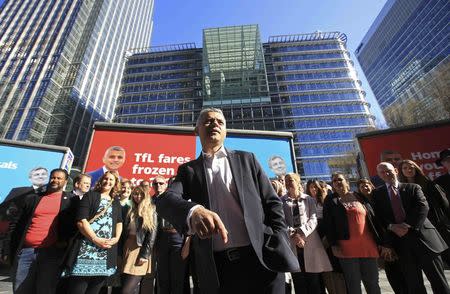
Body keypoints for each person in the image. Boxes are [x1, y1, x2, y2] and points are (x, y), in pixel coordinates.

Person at [154, 108, 298, 294]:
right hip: (217, 270)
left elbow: (272, 203)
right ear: (196, 130)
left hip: (262, 263)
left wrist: (278, 239)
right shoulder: (188, 170)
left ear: (225, 131)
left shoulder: (248, 160)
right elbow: (165, 200)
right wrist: (194, 211)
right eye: (208, 121)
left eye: (220, 122)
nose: (215, 124)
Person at [373, 162, 450, 294]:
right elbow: (378, 216)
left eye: (389, 171)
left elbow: (422, 207)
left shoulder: (413, 187)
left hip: (425, 241)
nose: (386, 174)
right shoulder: (377, 194)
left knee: (438, 281)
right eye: (382, 172)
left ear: (396, 171)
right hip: (401, 245)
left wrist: (407, 225)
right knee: (414, 285)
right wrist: (392, 227)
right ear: (379, 175)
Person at [3, 169, 76, 294]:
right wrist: (6, 249)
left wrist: (64, 242)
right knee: (21, 288)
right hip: (26, 251)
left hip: (52, 253)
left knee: (45, 289)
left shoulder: (71, 201)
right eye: (53, 177)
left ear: (65, 181)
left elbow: (74, 226)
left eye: (59, 178)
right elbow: (15, 225)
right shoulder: (33, 198)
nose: (55, 180)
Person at [63, 171, 123, 294]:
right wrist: (96, 239)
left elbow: (119, 222)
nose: (108, 182)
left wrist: (116, 238)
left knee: (94, 291)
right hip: (85, 250)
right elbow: (81, 221)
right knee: (77, 290)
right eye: (106, 179)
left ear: (115, 183)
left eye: (111, 180)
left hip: (105, 252)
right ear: (101, 180)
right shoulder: (90, 196)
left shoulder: (115, 201)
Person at [323, 172, 383, 294]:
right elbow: (328, 225)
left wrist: (382, 241)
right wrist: (333, 244)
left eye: (340, 179)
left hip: (368, 246)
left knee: (372, 283)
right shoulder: (330, 200)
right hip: (345, 248)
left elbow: (373, 219)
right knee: (353, 284)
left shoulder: (359, 196)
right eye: (334, 181)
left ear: (347, 182)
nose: (337, 182)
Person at [282, 173, 332, 294]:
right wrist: (294, 234)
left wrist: (302, 233)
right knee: (299, 281)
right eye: (286, 181)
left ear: (298, 182)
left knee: (313, 280)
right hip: (292, 242)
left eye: (291, 180)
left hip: (309, 242)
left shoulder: (308, 199)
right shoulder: (281, 200)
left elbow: (313, 218)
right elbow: (281, 221)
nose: (288, 183)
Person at [357, 177, 407, 294]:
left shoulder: (381, 197)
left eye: (367, 184)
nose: (365, 187)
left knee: (405, 271)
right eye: (362, 186)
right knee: (392, 272)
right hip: (381, 242)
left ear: (371, 185)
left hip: (396, 237)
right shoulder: (362, 203)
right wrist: (383, 243)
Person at [398, 159, 450, 266]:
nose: (409, 170)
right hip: (419, 228)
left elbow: (444, 204)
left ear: (416, 168)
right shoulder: (400, 189)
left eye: (411, 167)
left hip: (437, 224)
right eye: (405, 168)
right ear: (401, 171)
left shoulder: (429, 184)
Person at [120, 186, 157, 294]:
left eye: (141, 194)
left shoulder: (151, 210)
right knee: (131, 289)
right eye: (135, 194)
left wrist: (144, 255)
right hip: (127, 248)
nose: (138, 196)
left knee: (126, 291)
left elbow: (152, 235)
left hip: (140, 250)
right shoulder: (130, 209)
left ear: (146, 196)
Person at [154, 175, 187, 294]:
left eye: (176, 183)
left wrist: (187, 245)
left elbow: (189, 226)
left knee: (177, 277)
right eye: (172, 182)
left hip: (178, 238)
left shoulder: (184, 200)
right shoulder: (155, 200)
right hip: (162, 237)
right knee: (163, 277)